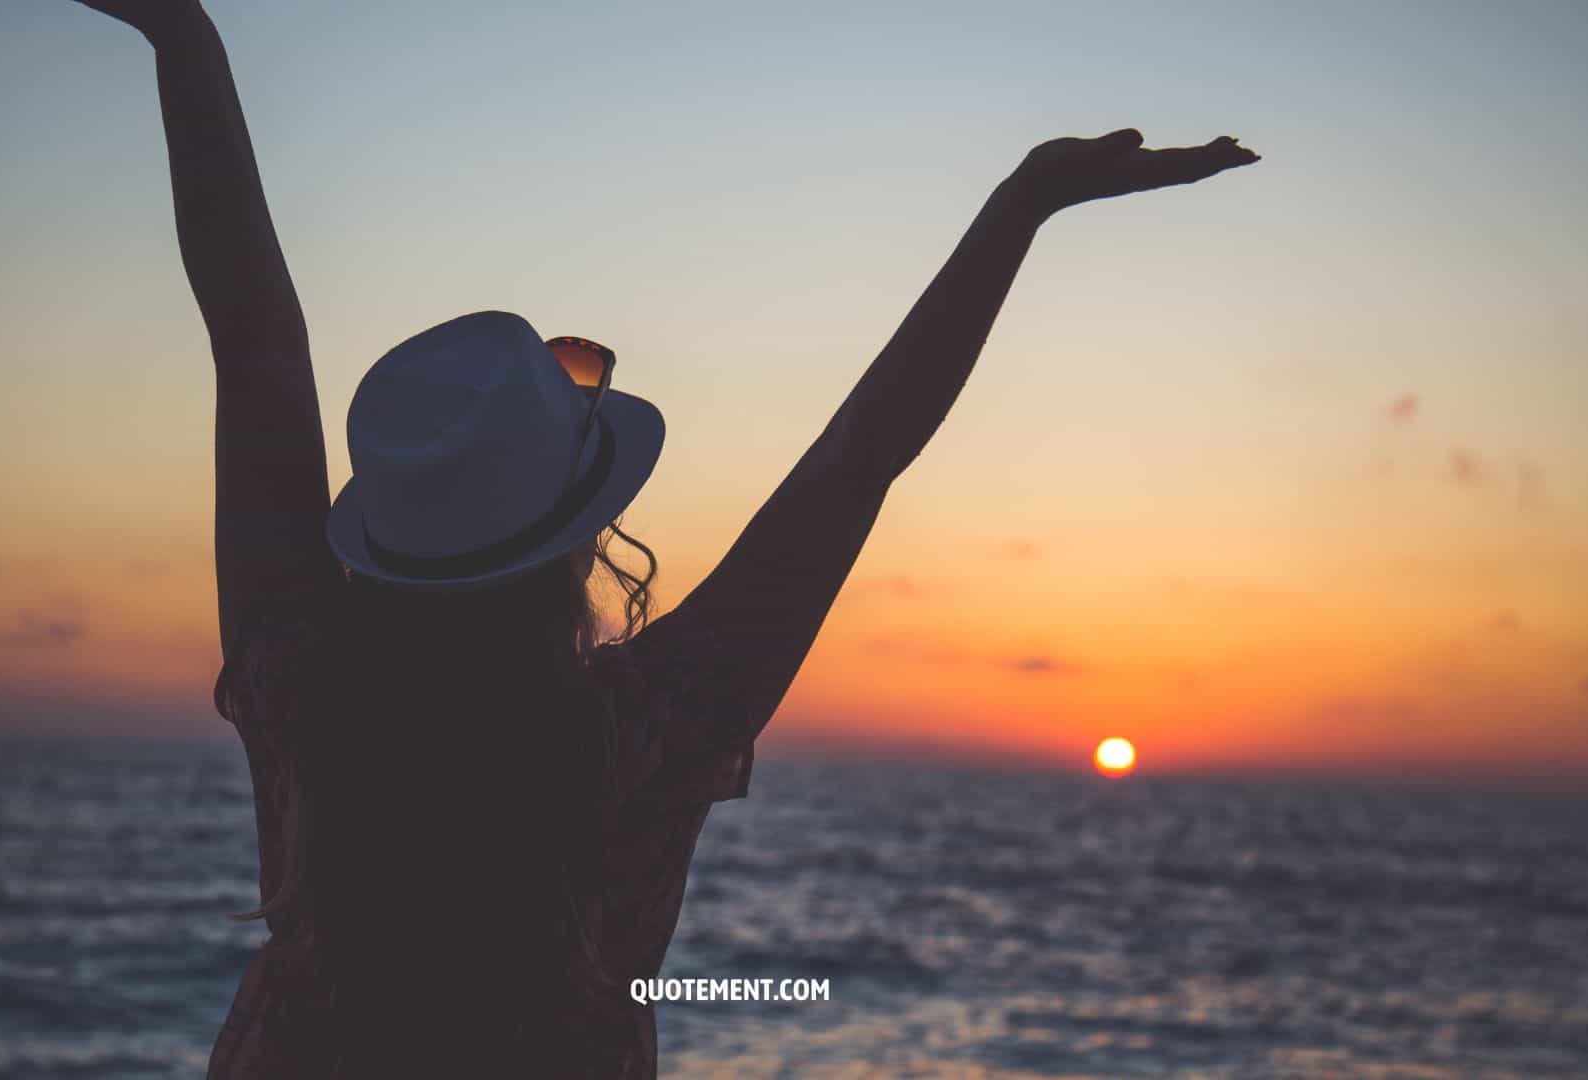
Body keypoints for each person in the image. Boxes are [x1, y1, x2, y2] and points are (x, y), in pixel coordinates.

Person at [65, 1, 1260, 1075]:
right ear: (573, 542)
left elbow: (251, 342)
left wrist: (182, 37)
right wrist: (1023, 207)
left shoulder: (300, 678)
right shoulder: (649, 727)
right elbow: (862, 459)